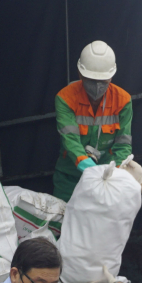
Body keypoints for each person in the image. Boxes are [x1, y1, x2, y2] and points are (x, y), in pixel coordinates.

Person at [53, 40, 133, 202]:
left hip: (106, 178)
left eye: (103, 81)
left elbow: (123, 144)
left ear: (111, 77)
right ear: (80, 74)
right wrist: (87, 167)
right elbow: (70, 139)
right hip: (69, 178)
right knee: (62, 220)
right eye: (91, 80)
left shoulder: (123, 100)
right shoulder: (65, 98)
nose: (97, 86)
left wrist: (114, 173)